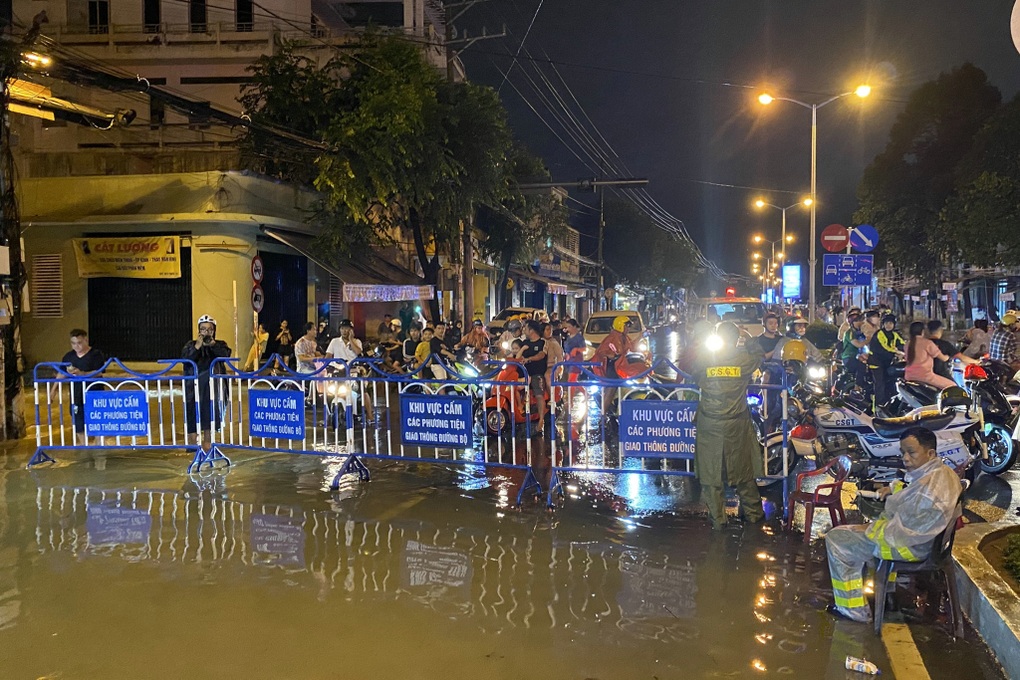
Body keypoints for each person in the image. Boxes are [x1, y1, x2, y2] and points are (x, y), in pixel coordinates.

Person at [825, 426, 962, 623]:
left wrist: (871, 529)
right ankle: (886, 595)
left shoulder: (928, 490)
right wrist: (893, 489)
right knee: (867, 529)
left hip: (913, 548)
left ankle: (852, 610)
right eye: (903, 452)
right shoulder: (941, 472)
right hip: (928, 543)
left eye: (911, 452)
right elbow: (910, 494)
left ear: (930, 453)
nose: (905, 458)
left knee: (837, 538)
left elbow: (899, 532)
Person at [686, 321, 765, 530]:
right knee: (743, 471)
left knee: (711, 476)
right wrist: (748, 338)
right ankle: (754, 514)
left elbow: (694, 370)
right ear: (735, 338)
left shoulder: (707, 358)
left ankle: (718, 520)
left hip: (709, 423)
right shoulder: (743, 359)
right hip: (736, 423)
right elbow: (759, 356)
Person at [182, 315, 232, 450]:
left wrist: (213, 344)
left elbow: (226, 354)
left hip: (213, 388)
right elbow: (186, 358)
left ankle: (208, 444)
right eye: (203, 329)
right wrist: (198, 346)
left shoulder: (219, 344)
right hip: (193, 388)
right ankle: (192, 445)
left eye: (210, 329)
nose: (206, 332)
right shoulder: (191, 345)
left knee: (210, 414)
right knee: (193, 413)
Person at [56, 329, 107, 445]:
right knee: (78, 419)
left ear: (86, 340)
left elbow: (99, 372)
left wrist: (82, 374)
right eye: (73, 343)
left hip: (94, 393)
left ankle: (98, 444)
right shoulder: (68, 357)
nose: (76, 346)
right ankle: (85, 447)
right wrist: (53, 391)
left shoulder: (96, 354)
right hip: (76, 394)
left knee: (96, 418)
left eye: (79, 343)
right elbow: (61, 373)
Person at [904, 321, 956, 390]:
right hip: (925, 376)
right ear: (923, 331)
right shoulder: (927, 343)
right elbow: (943, 358)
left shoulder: (907, 344)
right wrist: (948, 357)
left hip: (909, 376)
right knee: (953, 386)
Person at [868, 314, 905, 407]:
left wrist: (905, 352)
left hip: (887, 362)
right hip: (876, 362)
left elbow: (902, 344)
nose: (889, 325)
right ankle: (878, 407)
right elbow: (883, 348)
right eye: (886, 323)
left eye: (891, 323)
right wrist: (895, 353)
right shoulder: (879, 334)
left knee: (891, 382)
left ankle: (890, 405)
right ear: (883, 324)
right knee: (880, 384)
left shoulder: (895, 334)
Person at [519, 320, 548, 434]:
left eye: (525, 328)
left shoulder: (542, 343)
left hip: (536, 374)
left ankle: (541, 420)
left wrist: (529, 359)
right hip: (523, 374)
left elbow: (541, 355)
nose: (524, 330)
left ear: (531, 330)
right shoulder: (524, 343)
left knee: (539, 394)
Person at [840, 312, 870, 386]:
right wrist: (869, 339)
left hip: (858, 356)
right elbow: (858, 345)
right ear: (853, 322)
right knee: (861, 366)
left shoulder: (859, 333)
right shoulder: (850, 333)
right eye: (859, 320)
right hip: (849, 358)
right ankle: (858, 385)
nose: (862, 322)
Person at [543, 321, 564, 388]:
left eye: (550, 330)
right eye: (547, 330)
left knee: (548, 377)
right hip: (541, 367)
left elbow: (560, 357)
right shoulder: (541, 341)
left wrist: (558, 369)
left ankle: (552, 396)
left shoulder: (554, 343)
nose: (549, 332)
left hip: (551, 367)